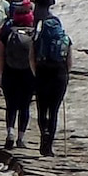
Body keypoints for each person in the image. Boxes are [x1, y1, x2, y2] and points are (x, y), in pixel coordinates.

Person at [0, 2, 39, 149]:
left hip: (10, 72)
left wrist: (2, 72)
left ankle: (10, 132)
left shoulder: (8, 32)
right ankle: (21, 138)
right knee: (24, 106)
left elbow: (0, 54)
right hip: (28, 74)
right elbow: (35, 57)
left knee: (11, 106)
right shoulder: (34, 34)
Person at [32, 12, 72, 156]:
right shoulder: (65, 39)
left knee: (42, 110)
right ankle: (49, 144)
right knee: (54, 111)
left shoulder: (38, 38)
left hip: (42, 74)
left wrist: (36, 73)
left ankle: (44, 136)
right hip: (59, 76)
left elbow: (32, 59)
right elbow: (69, 63)